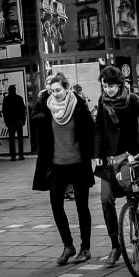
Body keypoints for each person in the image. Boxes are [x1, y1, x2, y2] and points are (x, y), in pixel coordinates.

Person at [94, 65, 139, 266]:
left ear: (120, 85)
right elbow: (99, 128)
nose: (107, 90)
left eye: (110, 86)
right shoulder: (102, 101)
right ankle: (115, 246)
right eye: (104, 86)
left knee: (134, 200)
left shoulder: (131, 99)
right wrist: (97, 154)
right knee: (106, 200)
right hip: (110, 159)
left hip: (132, 157)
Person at [31, 72, 95, 265]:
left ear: (67, 89)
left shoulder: (79, 107)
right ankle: (68, 246)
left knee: (82, 207)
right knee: (56, 205)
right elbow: (36, 121)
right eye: (52, 90)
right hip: (57, 165)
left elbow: (91, 133)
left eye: (58, 90)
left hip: (78, 164)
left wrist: (95, 155)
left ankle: (85, 248)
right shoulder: (47, 107)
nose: (55, 94)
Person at [2, 85, 26, 161]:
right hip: (19, 121)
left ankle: (13, 156)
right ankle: (21, 155)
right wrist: (23, 120)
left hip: (10, 121)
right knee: (20, 139)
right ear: (15, 90)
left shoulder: (6, 99)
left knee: (11, 139)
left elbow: (4, 111)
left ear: (9, 91)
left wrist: (6, 121)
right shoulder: (19, 98)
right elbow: (23, 110)